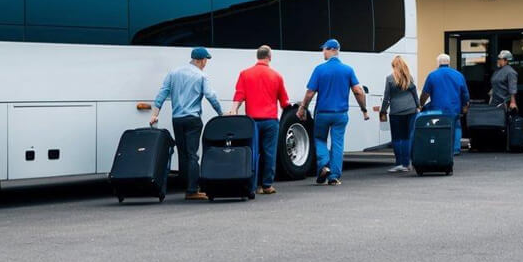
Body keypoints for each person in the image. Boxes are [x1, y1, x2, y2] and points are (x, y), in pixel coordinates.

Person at [150, 47, 223, 200]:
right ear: (200, 60)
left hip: (177, 119)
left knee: (183, 154)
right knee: (192, 155)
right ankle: (192, 190)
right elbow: (210, 96)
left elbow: (162, 93)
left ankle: (185, 185)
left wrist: (155, 114)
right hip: (192, 120)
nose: (206, 64)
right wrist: (221, 114)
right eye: (205, 60)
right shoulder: (201, 75)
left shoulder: (174, 72)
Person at [296, 39, 369, 186]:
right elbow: (358, 91)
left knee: (319, 139)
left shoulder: (319, 69)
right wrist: (364, 109)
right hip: (341, 114)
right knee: (337, 144)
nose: (323, 52)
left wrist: (302, 107)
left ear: (332, 49)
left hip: (323, 113)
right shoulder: (348, 70)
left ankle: (324, 165)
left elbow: (310, 93)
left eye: (324, 49)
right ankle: (334, 177)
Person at [229, 45, 289, 195]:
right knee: (269, 153)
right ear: (270, 57)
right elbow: (284, 102)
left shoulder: (245, 74)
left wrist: (234, 109)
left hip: (252, 122)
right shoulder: (277, 76)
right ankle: (267, 185)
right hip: (270, 121)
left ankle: (252, 185)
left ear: (257, 56)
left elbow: (239, 95)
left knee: (253, 152)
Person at [419, 53, 470, 155]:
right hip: (454, 108)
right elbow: (465, 93)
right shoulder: (458, 75)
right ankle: (455, 149)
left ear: (438, 63)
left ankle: (440, 147)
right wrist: (465, 106)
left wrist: (421, 104)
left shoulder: (432, 75)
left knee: (438, 128)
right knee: (456, 127)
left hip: (437, 108)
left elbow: (425, 93)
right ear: (449, 63)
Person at [380, 55, 420, 173]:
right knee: (407, 137)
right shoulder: (409, 77)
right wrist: (418, 106)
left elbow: (387, 97)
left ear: (394, 66)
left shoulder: (390, 78)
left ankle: (399, 163)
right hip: (411, 110)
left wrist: (383, 111)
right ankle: (407, 163)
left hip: (396, 112)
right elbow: (414, 93)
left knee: (397, 138)